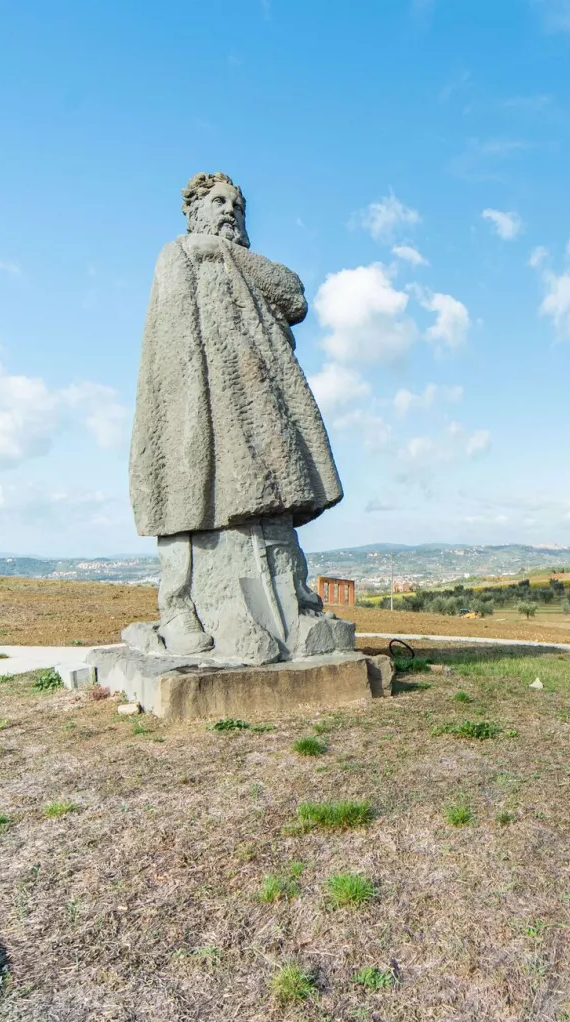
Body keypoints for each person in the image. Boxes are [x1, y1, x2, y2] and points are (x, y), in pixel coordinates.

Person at [126, 172, 351, 661]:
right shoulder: (179, 254)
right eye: (218, 202)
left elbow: (293, 295)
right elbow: (171, 340)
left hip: (259, 406)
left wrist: (226, 254)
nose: (228, 210)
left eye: (236, 205)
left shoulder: (240, 260)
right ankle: (180, 607)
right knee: (190, 495)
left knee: (272, 504)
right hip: (203, 396)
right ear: (194, 212)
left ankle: (294, 603)